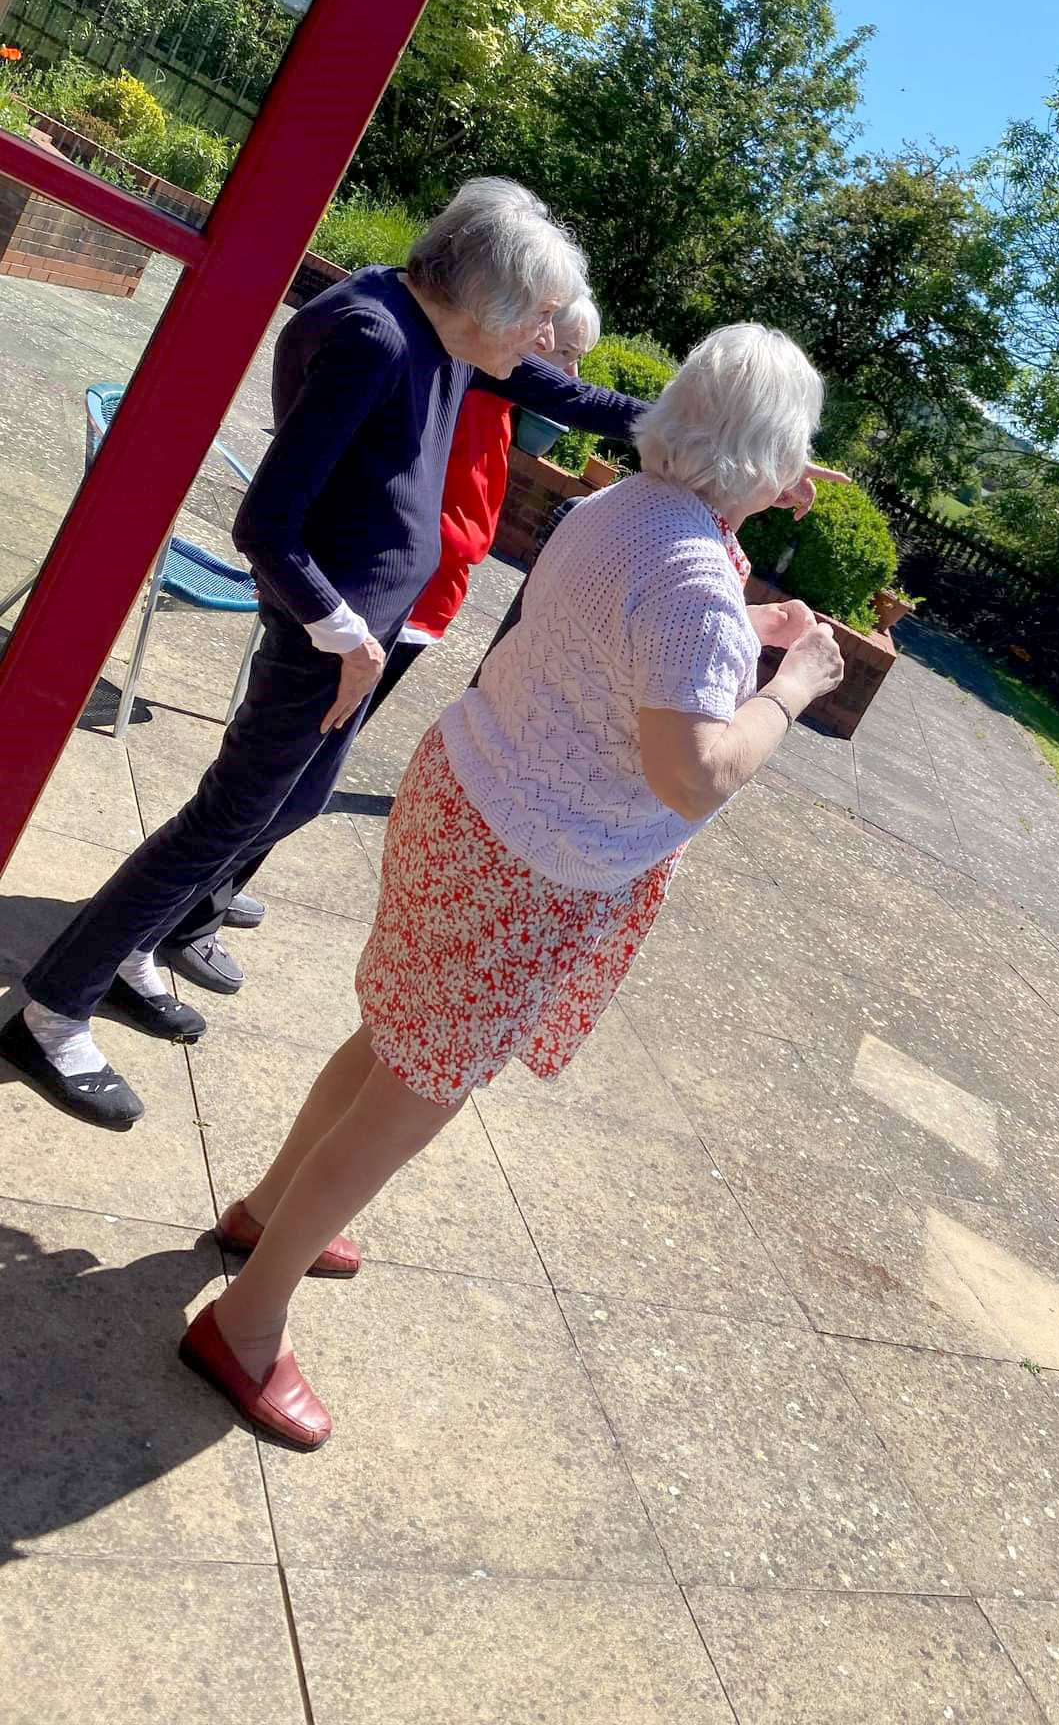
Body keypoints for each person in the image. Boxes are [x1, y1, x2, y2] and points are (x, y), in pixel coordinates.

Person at [178, 324, 845, 1447]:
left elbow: (639, 626)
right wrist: (794, 685)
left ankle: (267, 1212)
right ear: (764, 454)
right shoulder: (690, 573)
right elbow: (692, 773)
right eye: (794, 450)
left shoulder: (627, 507)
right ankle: (245, 1323)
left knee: (394, 1040)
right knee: (416, 1090)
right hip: (529, 868)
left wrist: (751, 615)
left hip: (469, 799)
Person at [0, 181, 650, 1131]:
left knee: (290, 804)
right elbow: (266, 523)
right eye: (542, 316)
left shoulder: (447, 335)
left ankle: (132, 949)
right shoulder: (373, 338)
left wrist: (716, 440)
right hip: (327, 638)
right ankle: (53, 1012)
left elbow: (576, 397)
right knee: (223, 821)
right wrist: (344, 636)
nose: (548, 338)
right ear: (492, 297)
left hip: (359, 639)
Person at [360, 290, 602, 724]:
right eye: (566, 353)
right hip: (403, 592)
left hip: (426, 596)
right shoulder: (471, 397)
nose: (572, 374)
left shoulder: (498, 407)